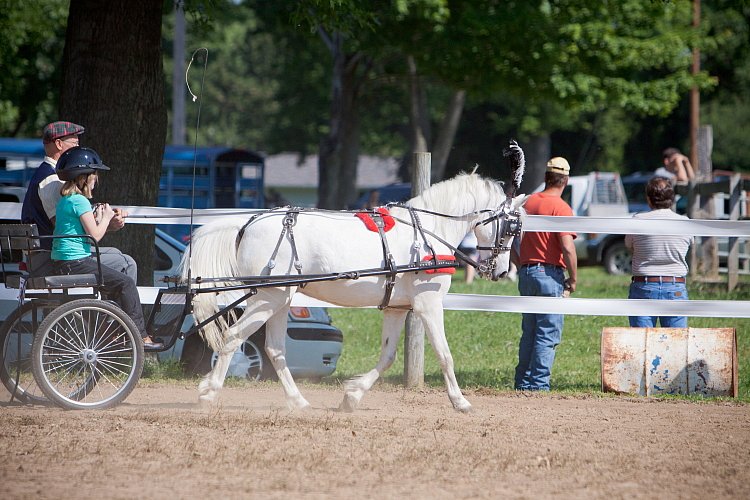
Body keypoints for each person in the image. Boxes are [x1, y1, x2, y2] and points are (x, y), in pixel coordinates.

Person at [51, 146, 162, 350]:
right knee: (127, 283)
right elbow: (95, 236)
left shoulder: (67, 200)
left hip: (66, 262)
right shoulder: (80, 201)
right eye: (94, 175)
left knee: (117, 281)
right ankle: (139, 335)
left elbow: (85, 230)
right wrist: (108, 216)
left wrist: (102, 218)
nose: (96, 180)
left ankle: (113, 330)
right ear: (83, 178)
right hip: (76, 263)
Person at [21, 121, 136, 280]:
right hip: (51, 258)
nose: (78, 148)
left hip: (46, 255)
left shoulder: (47, 175)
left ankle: (102, 305)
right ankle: (115, 305)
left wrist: (105, 223)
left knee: (115, 254)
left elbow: (73, 228)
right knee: (126, 262)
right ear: (59, 144)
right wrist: (106, 222)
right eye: (74, 143)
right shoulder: (51, 181)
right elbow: (66, 230)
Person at [510, 156, 577, 391]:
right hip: (550, 275)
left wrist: (520, 264)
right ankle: (538, 385)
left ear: (546, 177)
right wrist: (574, 279)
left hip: (527, 273)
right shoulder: (561, 207)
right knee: (547, 334)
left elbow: (508, 241)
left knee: (529, 332)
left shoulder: (528, 203)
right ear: (565, 180)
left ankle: (522, 382)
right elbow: (567, 247)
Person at [625, 176, 692, 328]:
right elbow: (688, 244)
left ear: (649, 199)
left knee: (642, 342)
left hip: (644, 285)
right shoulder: (685, 223)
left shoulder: (637, 221)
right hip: (675, 285)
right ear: (672, 199)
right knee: (676, 343)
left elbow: (629, 245)